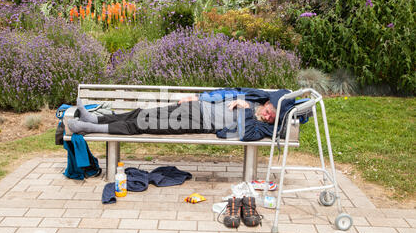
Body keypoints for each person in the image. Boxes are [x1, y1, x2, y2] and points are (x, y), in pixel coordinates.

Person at [67, 87, 295, 141]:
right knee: (141, 113)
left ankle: (87, 128)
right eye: (267, 112)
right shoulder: (252, 96)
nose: (266, 116)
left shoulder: (262, 127)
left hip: (199, 122)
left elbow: (242, 135)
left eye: (271, 118)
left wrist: (245, 112)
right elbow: (224, 93)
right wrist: (197, 97)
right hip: (193, 108)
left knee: (141, 125)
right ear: (267, 102)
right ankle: (93, 118)